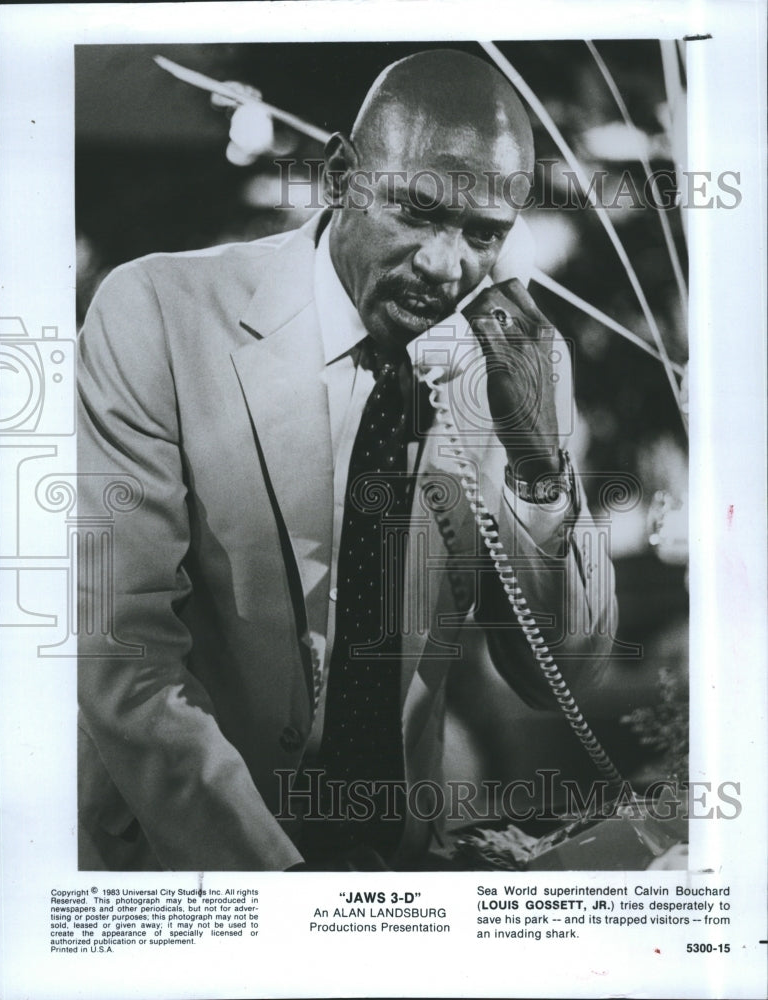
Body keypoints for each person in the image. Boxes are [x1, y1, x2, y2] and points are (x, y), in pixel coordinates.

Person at [76, 48, 616, 871]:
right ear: (339, 175)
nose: (445, 266)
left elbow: (562, 680)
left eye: (482, 235)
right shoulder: (156, 313)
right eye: (415, 212)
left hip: (393, 867)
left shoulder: (508, 367)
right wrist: (287, 896)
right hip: (195, 866)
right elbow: (126, 658)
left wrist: (539, 463)